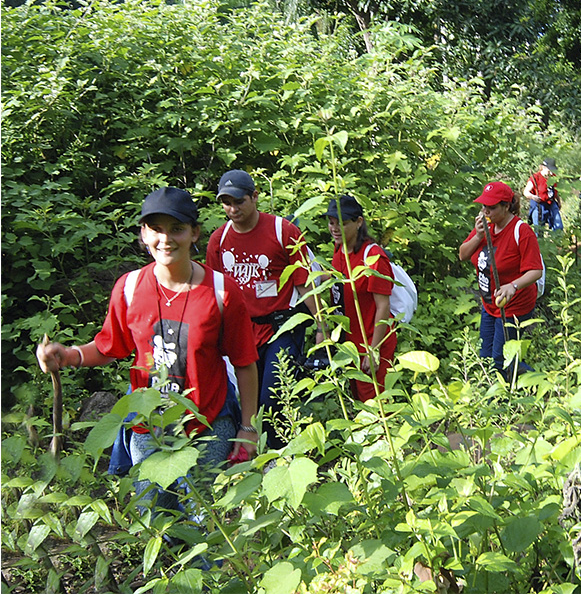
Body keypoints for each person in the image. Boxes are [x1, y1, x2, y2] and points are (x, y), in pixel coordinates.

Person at [35, 187, 259, 515]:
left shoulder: (222, 293)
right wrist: (67, 355)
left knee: (208, 523)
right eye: (155, 229)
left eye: (177, 229)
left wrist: (248, 428)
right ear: (143, 233)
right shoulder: (128, 288)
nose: (165, 239)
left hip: (206, 426)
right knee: (154, 518)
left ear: (194, 233)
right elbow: (108, 346)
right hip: (148, 428)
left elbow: (244, 363)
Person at [206, 169, 325, 448]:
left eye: (239, 201)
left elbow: (305, 282)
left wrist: (322, 326)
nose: (232, 209)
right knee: (247, 397)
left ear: (255, 197)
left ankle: (281, 453)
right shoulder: (218, 240)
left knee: (273, 393)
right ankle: (251, 454)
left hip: (281, 325)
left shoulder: (282, 231)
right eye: (226, 203)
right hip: (241, 330)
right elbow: (212, 291)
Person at [459, 181, 543, 383]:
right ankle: (497, 391)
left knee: (501, 358)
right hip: (489, 304)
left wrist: (512, 286)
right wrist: (479, 235)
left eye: (492, 207)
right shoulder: (485, 227)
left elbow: (536, 270)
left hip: (514, 305)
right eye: (484, 206)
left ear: (506, 206)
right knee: (485, 355)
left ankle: (534, 383)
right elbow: (463, 254)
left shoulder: (521, 231)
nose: (486, 211)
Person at [326, 196, 398, 402]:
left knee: (375, 407)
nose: (335, 228)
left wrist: (373, 350)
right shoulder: (339, 249)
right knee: (359, 404)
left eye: (342, 223)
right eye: (331, 222)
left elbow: (383, 305)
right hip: (349, 345)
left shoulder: (373, 257)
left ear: (359, 222)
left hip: (372, 343)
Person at [523, 158, 563, 231]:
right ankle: (539, 241)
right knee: (539, 228)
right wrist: (533, 197)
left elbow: (555, 191)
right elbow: (526, 192)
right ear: (544, 167)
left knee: (558, 226)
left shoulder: (553, 177)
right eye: (549, 170)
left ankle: (557, 240)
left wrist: (559, 202)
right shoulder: (536, 178)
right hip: (539, 204)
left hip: (551, 203)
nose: (551, 172)